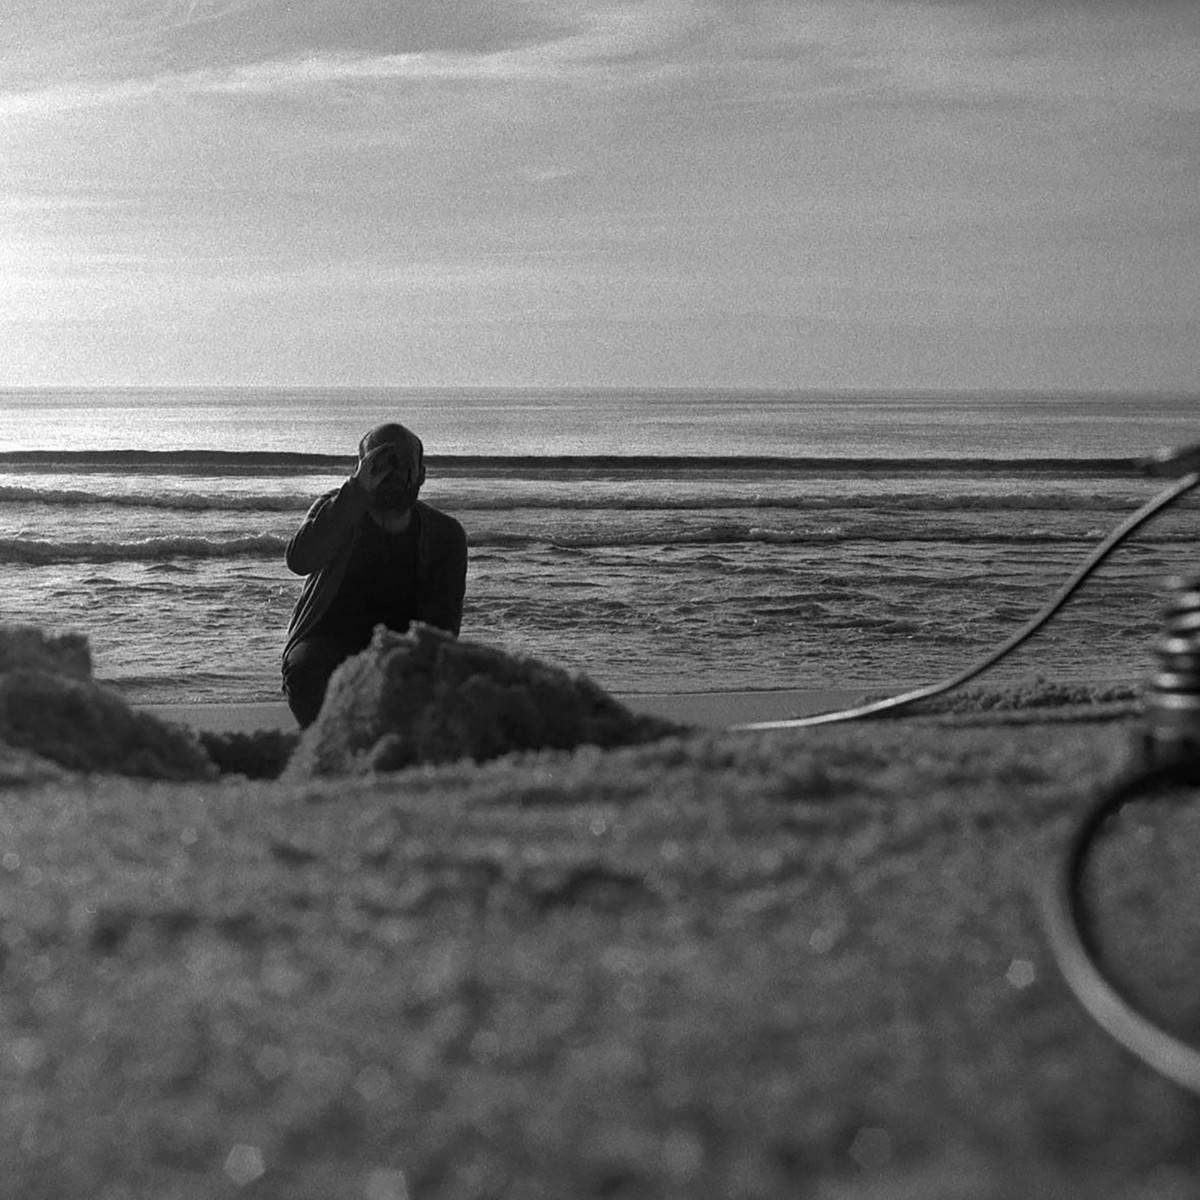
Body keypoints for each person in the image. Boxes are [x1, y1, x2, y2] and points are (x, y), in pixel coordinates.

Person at [281, 422, 468, 727]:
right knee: (307, 671)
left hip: (404, 644)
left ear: (421, 474)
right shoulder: (337, 509)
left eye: (403, 463)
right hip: (329, 640)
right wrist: (356, 491)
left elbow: (443, 623)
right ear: (360, 468)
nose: (391, 474)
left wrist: (419, 665)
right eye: (379, 462)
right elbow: (300, 560)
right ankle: (329, 743)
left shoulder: (445, 535)